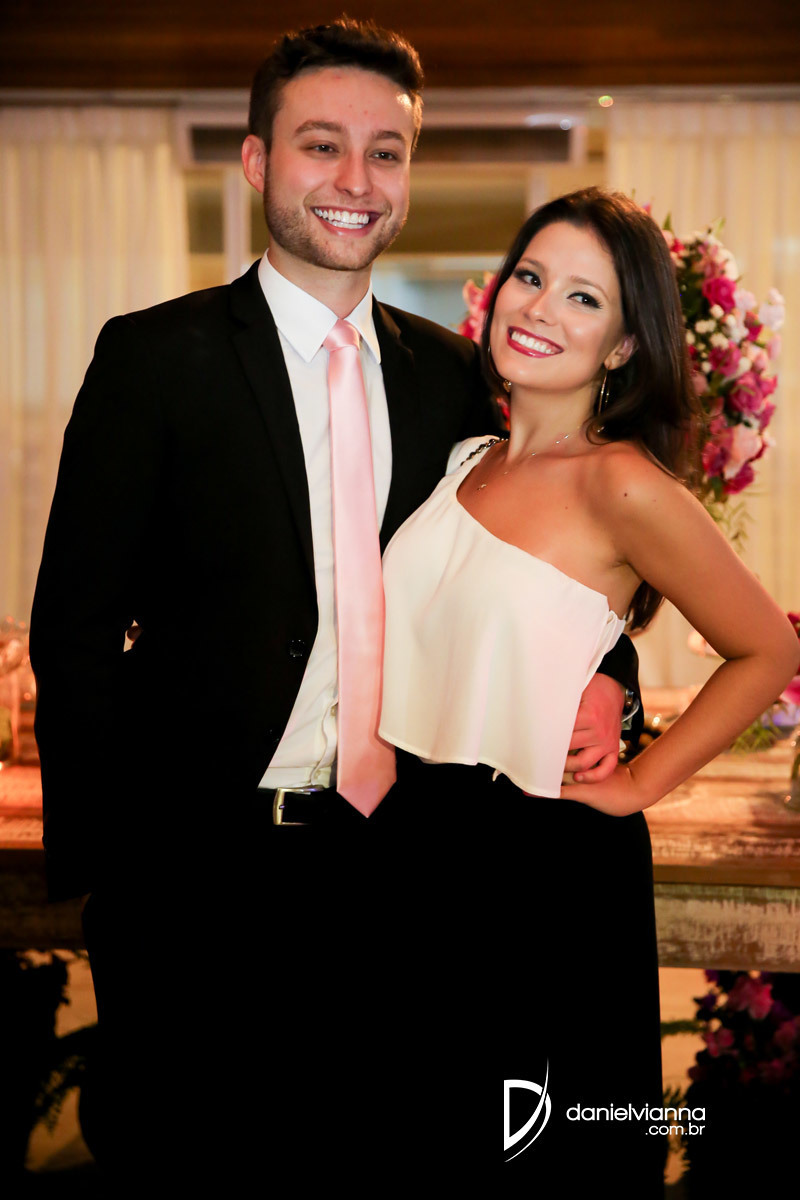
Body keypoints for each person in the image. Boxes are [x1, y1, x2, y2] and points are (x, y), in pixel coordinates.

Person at [29, 20, 638, 1191]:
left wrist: (606, 680)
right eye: (321, 145)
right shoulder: (154, 358)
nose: (355, 179)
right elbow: (74, 625)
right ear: (258, 161)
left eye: (385, 152)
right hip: (201, 885)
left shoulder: (458, 376)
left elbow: (559, 549)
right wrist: (120, 878)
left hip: (408, 876)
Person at [376, 188, 800, 1195]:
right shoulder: (462, 458)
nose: (538, 308)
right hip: (413, 847)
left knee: (539, 1164)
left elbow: (764, 651)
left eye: (582, 297)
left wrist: (638, 781)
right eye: (530, 277)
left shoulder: (620, 483)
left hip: (534, 871)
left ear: (622, 344)